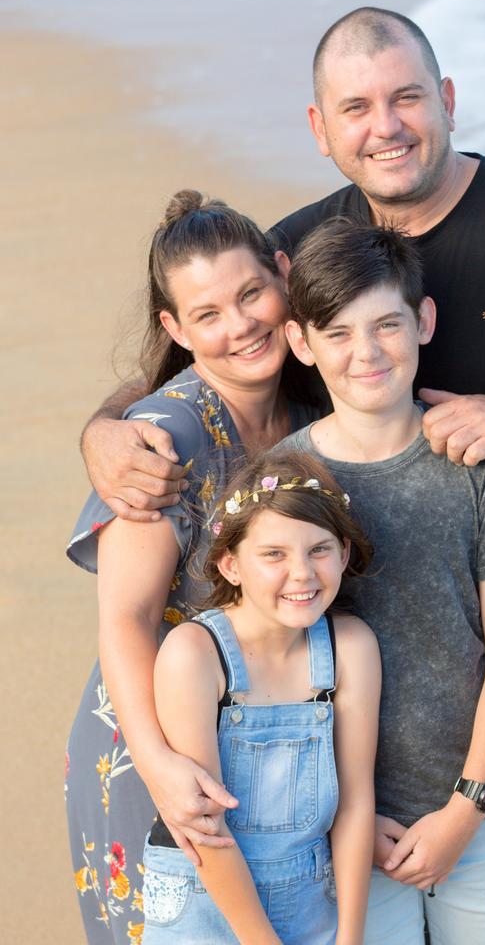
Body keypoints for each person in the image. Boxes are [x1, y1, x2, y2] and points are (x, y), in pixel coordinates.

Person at [79, 8, 485, 944]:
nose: (384, 126)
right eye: (356, 107)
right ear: (321, 130)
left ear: (448, 101)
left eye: (406, 97)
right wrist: (105, 429)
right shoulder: (304, 250)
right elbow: (208, 341)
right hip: (341, 707)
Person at [66, 190, 325, 944]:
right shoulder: (164, 437)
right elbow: (128, 617)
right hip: (156, 752)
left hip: (261, 744)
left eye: (251, 293)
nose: (241, 324)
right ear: (175, 331)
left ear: (283, 276)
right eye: (208, 315)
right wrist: (159, 766)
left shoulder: (310, 416)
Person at [281, 219, 485, 944]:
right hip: (340, 820)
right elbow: (271, 668)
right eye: (336, 333)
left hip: (482, 811)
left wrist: (466, 810)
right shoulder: (286, 479)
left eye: (386, 325)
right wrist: (348, 814)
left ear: (423, 321)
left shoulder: (479, 461)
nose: (365, 353)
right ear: (301, 344)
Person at [141, 447, 380, 945]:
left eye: (319, 549)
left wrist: (350, 937)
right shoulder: (195, 653)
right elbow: (206, 826)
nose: (302, 574)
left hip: (312, 895)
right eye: (273, 554)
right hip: (206, 893)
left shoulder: (350, 646)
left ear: (344, 553)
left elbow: (356, 802)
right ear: (231, 565)